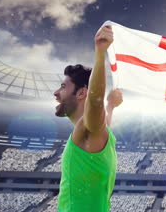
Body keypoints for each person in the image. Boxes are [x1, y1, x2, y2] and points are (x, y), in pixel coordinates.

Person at [53, 25, 123, 211]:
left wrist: (100, 54)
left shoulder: (87, 129)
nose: (56, 93)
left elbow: (95, 101)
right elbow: (102, 118)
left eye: (62, 87)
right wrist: (111, 105)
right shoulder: (98, 133)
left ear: (82, 92)